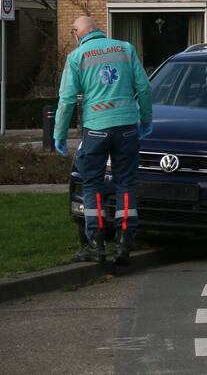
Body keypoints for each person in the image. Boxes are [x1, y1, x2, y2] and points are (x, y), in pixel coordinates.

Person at [54, 16, 152, 265]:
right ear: (97, 30)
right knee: (125, 183)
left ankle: (95, 245)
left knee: (92, 185)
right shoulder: (125, 49)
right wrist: (146, 121)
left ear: (77, 33)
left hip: (96, 130)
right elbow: (144, 88)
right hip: (127, 128)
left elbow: (66, 101)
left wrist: (59, 135)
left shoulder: (77, 57)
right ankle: (124, 243)